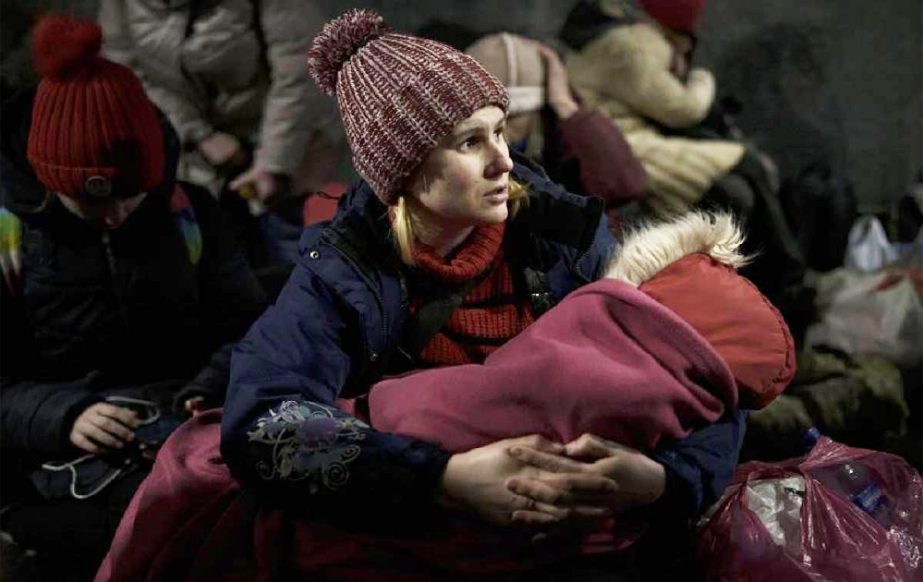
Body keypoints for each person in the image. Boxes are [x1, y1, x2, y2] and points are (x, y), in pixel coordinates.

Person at [215, 9, 746, 578]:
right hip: (426, 550)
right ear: (404, 167)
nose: (504, 160)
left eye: (499, 129)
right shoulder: (343, 273)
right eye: (469, 142)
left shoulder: (564, 240)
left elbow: (703, 383)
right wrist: (441, 479)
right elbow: (264, 423)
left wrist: (663, 481)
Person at [0, 16, 266, 580]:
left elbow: (252, 327)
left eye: (132, 193)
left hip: (180, 425)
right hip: (57, 456)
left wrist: (208, 386)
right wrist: (63, 414)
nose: (117, 214)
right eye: (91, 204)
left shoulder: (190, 214)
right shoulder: (10, 241)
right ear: (48, 180)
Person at [561, 0, 805, 301]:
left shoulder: (614, 34)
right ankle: (788, 279)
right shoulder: (632, 43)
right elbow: (683, 109)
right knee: (746, 165)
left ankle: (781, 278)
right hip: (626, 145)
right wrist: (702, 78)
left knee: (742, 183)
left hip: (627, 138)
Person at [97, 0, 341, 265]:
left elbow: (300, 70)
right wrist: (199, 135)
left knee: (297, 260)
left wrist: (273, 164)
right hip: (195, 156)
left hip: (284, 141)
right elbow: (125, 71)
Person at [465, 33, 647, 223]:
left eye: (516, 117)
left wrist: (565, 105)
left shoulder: (564, 134)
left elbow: (626, 186)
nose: (504, 131)